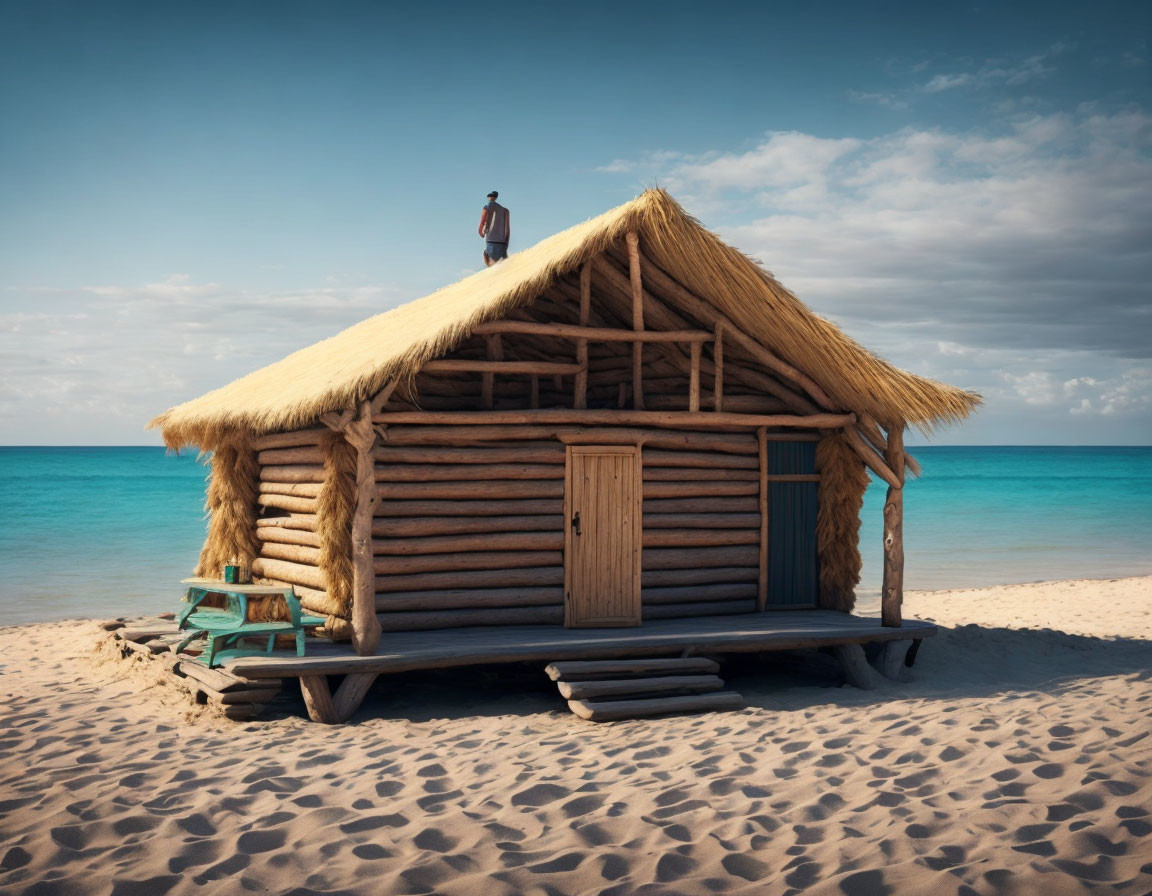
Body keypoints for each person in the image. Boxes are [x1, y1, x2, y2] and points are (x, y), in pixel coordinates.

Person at [478, 191, 510, 266]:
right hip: (502, 242)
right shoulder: (505, 211)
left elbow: (482, 222)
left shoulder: (487, 207)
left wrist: (481, 232)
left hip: (491, 240)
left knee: (489, 262)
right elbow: (507, 229)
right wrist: (506, 243)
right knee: (503, 266)